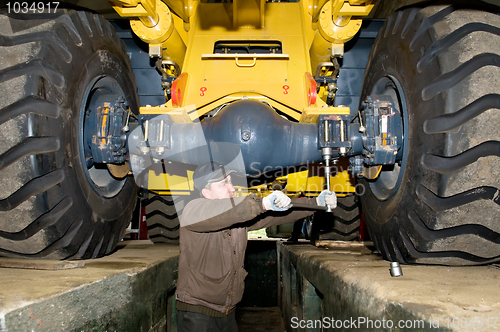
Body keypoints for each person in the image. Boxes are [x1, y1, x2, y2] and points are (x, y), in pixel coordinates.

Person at [175, 161, 337, 332]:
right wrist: (262, 203)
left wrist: (316, 203)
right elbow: (228, 211)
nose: (231, 188)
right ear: (206, 192)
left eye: (230, 181)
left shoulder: (238, 220)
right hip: (197, 314)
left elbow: (276, 215)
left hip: (228, 311)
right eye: (223, 184)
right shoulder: (192, 211)